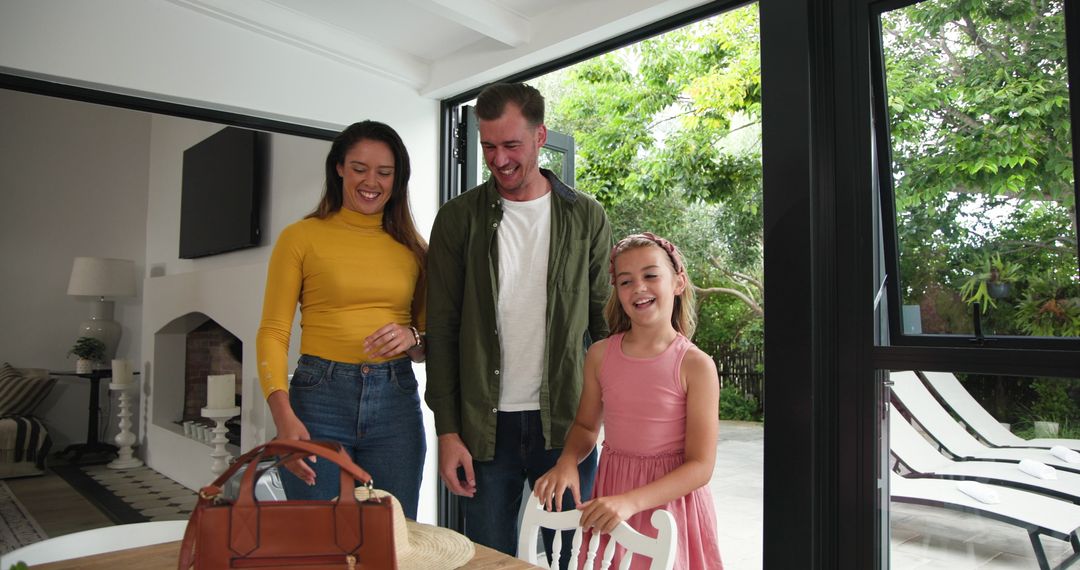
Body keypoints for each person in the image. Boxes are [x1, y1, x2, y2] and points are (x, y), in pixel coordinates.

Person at [425, 82, 613, 558]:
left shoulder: (586, 216)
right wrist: (447, 431)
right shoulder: (456, 220)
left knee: (568, 555)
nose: (499, 159)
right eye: (488, 146)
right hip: (483, 428)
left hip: (567, 424)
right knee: (489, 558)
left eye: (511, 145)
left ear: (540, 136)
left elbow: (604, 326)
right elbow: (443, 332)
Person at [255, 120, 428, 519]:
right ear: (338, 168)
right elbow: (273, 332)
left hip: (395, 402)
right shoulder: (300, 237)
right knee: (321, 536)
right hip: (318, 401)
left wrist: (412, 336)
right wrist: (283, 416)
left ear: (397, 178)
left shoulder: (415, 249)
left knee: (393, 536)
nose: (372, 182)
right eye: (359, 168)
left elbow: (427, 345)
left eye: (385, 172)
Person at [533, 233, 724, 570]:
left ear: (678, 282)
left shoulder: (696, 365)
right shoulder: (600, 355)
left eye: (651, 275)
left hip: (669, 507)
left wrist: (630, 502)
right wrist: (567, 461)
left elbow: (700, 466)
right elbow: (586, 426)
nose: (639, 287)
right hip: (613, 493)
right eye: (626, 281)